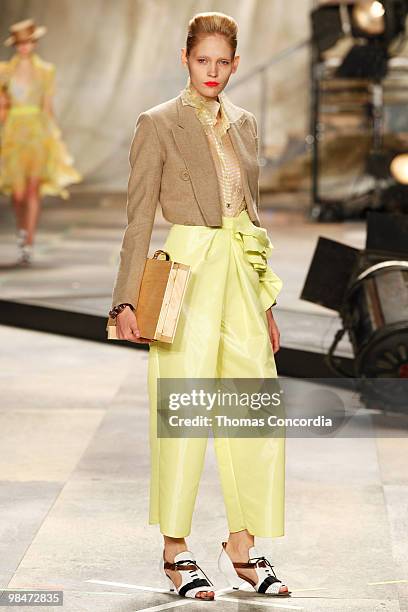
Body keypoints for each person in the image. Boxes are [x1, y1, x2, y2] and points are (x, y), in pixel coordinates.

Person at [109, 11, 290, 601]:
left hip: (240, 274)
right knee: (183, 412)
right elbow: (138, 217)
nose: (212, 71)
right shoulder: (157, 123)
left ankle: (242, 546)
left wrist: (265, 304)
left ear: (235, 64)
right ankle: (175, 550)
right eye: (201, 60)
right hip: (185, 271)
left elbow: (252, 219)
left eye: (222, 62)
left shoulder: (245, 123)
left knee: (252, 411)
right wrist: (125, 301)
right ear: (185, 60)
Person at [0, 19, 81, 264]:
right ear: (16, 45)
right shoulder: (4, 71)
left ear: (34, 43)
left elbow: (47, 107)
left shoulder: (46, 71)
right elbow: (2, 106)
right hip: (13, 132)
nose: (25, 47)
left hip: (37, 132)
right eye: (21, 43)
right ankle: (22, 233)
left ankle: (28, 243)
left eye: (29, 42)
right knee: (17, 194)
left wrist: (54, 138)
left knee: (33, 189)